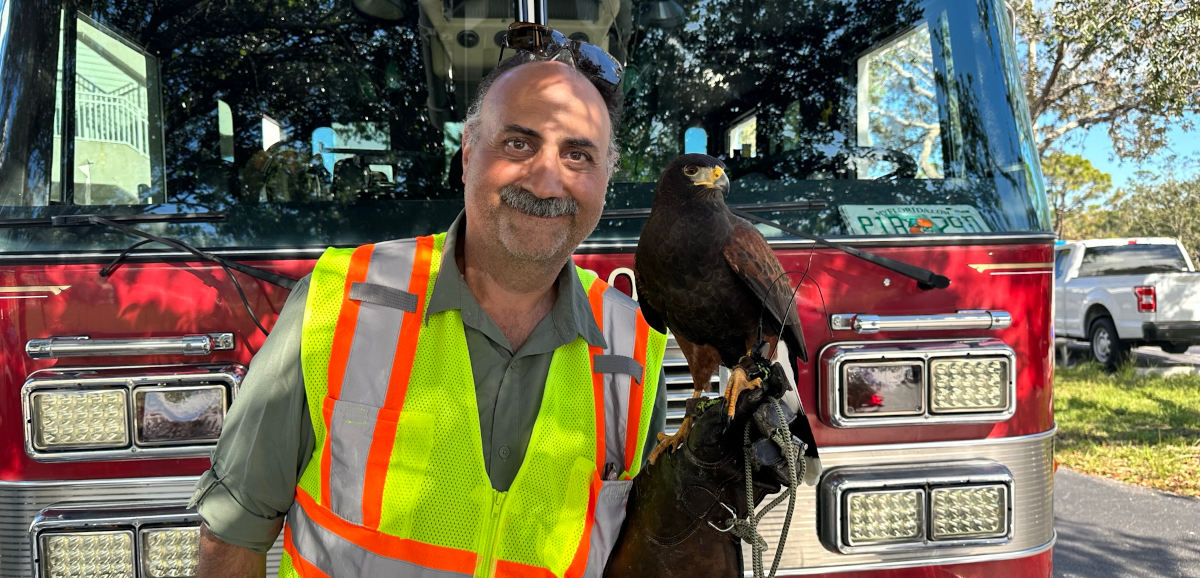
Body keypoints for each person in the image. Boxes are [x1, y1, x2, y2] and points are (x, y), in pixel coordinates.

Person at [191, 23, 669, 578]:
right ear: (468, 155)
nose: (546, 181)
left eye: (578, 155)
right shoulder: (337, 305)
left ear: (606, 180)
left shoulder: (636, 346)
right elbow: (233, 535)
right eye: (519, 143)